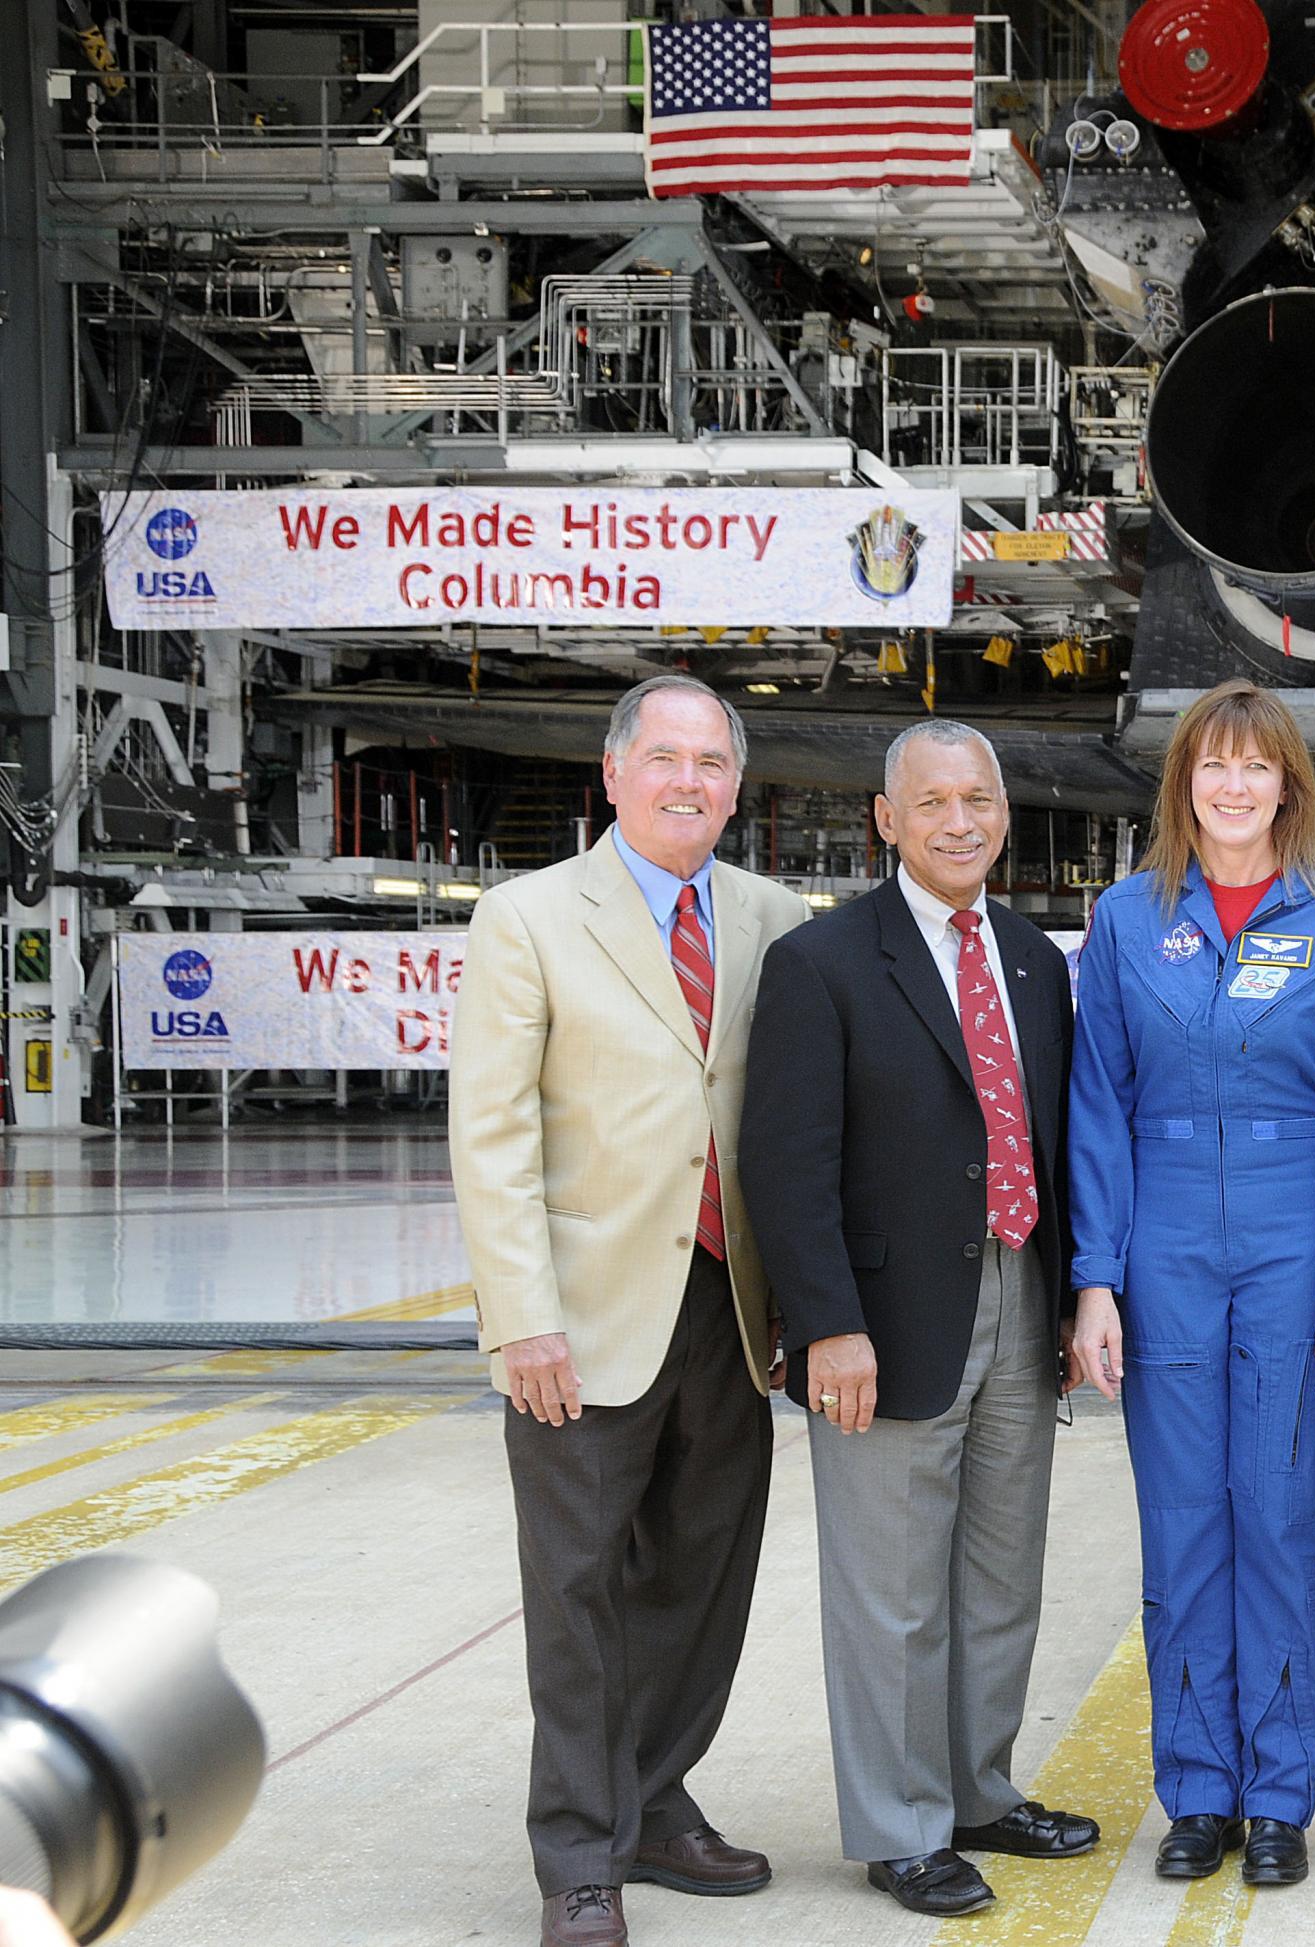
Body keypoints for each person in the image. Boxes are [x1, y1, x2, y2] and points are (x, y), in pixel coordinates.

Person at [451, 674, 809, 1947]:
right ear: (612, 774)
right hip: (584, 1315)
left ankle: (654, 1802)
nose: (689, 783)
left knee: (702, 1581)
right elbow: (489, 1135)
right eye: (665, 758)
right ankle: (579, 1858)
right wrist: (519, 1319)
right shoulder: (530, 917)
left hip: (732, 1303)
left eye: (712, 764)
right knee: (578, 1591)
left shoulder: (774, 916)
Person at [739, 720, 1096, 1919]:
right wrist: (826, 1323)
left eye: (978, 799)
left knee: (1001, 1576)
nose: (958, 821)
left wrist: (1065, 1290)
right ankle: (901, 1826)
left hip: (1017, 1292)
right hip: (883, 1321)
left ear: (1004, 812)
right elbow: (786, 1163)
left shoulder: (1037, 960)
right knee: (890, 1592)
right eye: (931, 801)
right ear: (886, 820)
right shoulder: (824, 960)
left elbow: (1050, 1133)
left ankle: (977, 1790)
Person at [1065, 679, 1315, 1888]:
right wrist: (1094, 1281)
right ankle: (1197, 1791)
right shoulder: (1121, 923)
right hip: (1159, 1243)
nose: (1231, 786)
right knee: (1182, 1528)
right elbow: (1095, 1106)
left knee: (1285, 1521)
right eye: (1210, 765)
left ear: (1286, 786)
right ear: (1183, 786)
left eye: (1254, 767)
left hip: (1294, 1237)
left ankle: (1277, 1794)